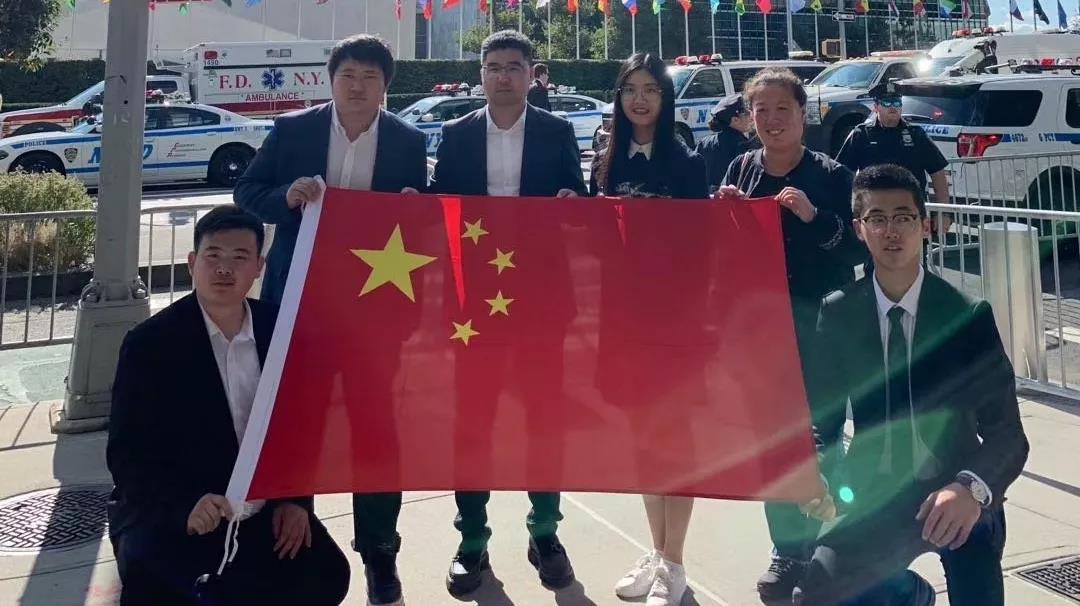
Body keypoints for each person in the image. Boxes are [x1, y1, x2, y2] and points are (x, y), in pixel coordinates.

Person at [233, 34, 427, 606]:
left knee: (376, 429)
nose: (358, 86)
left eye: (370, 77)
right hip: (301, 303)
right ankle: (297, 528)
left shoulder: (408, 141)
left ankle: (380, 551)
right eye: (348, 75)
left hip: (376, 313)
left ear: (386, 85)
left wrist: (415, 205)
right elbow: (246, 191)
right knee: (299, 420)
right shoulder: (293, 131)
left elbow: (421, 221)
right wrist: (286, 196)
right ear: (331, 79)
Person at [794, 164, 1029, 605]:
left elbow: (1008, 435)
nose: (891, 231)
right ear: (860, 230)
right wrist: (817, 471)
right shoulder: (839, 312)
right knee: (817, 593)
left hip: (954, 487)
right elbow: (821, 418)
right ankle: (909, 594)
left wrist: (971, 488)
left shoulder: (966, 315)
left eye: (903, 217)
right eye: (877, 218)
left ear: (924, 225)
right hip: (874, 490)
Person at [106, 205, 351, 606]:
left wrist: (295, 500)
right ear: (192, 263)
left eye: (239, 257)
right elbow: (127, 452)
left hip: (262, 506)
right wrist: (184, 507)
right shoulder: (150, 344)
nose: (224, 269)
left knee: (326, 575)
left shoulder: (281, 332)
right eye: (213, 255)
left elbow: (303, 428)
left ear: (258, 268)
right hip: (180, 508)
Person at [429, 29, 586, 597]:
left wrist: (573, 202)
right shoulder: (455, 134)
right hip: (473, 304)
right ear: (480, 75)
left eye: (513, 67)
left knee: (543, 419)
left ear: (530, 74)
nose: (502, 76)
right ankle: (472, 539)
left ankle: (545, 533)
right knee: (473, 422)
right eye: (493, 66)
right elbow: (436, 203)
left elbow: (579, 197)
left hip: (541, 299)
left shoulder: (557, 131)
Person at [716, 66, 866, 602]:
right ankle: (787, 549)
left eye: (784, 109)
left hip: (822, 329)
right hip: (761, 332)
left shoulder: (833, 174)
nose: (772, 119)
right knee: (776, 444)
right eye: (762, 110)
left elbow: (857, 247)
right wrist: (724, 214)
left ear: (804, 114)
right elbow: (722, 251)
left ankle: (827, 543)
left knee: (821, 441)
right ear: (749, 117)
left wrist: (813, 215)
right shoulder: (740, 169)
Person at [589, 52, 709, 606]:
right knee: (642, 439)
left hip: (673, 322)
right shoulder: (605, 162)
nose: (640, 99)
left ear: (666, 99)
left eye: (651, 90)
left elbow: (700, 246)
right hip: (622, 319)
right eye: (631, 89)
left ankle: (675, 563)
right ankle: (657, 552)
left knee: (675, 440)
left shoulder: (686, 162)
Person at [835, 80, 952, 234]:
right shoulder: (861, 135)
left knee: (912, 249)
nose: (892, 107)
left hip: (910, 214)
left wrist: (943, 213)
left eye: (897, 102)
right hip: (874, 214)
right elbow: (843, 175)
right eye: (887, 102)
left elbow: (937, 173)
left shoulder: (916, 135)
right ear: (876, 107)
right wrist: (846, 211)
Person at [695, 93, 756, 194]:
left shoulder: (704, 142)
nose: (752, 116)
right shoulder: (744, 146)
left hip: (706, 199)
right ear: (735, 120)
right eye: (747, 112)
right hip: (730, 199)